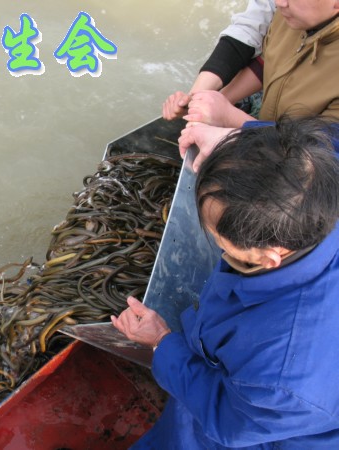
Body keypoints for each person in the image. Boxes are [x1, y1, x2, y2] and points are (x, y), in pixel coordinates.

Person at [111, 116, 339, 449]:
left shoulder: (283, 374)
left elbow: (228, 420)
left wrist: (161, 342)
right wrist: (234, 138)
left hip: (261, 431)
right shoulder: (320, 181)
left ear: (269, 257)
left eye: (219, 239)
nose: (215, 242)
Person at [184, 0, 339, 128]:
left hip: (292, 151)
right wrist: (208, 101)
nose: (278, 3)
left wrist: (232, 118)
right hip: (266, 135)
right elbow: (268, 62)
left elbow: (316, 151)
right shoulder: (293, 19)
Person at [162, 0, 275, 120]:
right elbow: (252, 33)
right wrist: (198, 99)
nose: (280, 3)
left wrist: (229, 117)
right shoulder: (281, 16)